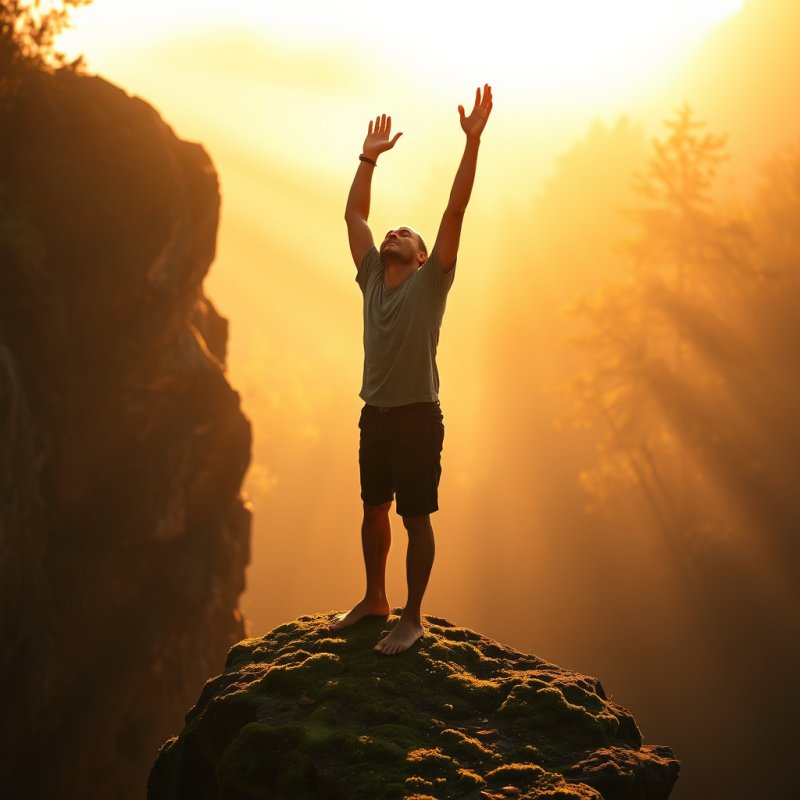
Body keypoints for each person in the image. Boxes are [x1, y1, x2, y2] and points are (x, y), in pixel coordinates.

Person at [330, 85, 493, 655]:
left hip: (419, 417)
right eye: (392, 231)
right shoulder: (372, 276)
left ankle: (413, 616)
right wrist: (368, 157)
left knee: (415, 517)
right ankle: (376, 597)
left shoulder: (431, 282)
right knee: (373, 508)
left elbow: (454, 210)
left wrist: (471, 142)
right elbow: (354, 214)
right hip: (374, 415)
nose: (395, 232)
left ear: (424, 256)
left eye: (407, 233)